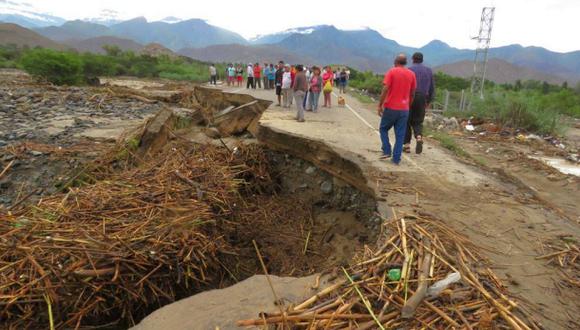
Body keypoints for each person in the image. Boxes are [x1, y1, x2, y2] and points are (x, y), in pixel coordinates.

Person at [377, 53, 417, 165]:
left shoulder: (392, 71)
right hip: (404, 109)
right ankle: (396, 159)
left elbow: (385, 89)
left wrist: (380, 105)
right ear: (405, 63)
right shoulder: (412, 74)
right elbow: (413, 93)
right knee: (400, 134)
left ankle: (386, 150)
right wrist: (408, 105)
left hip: (391, 107)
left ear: (395, 62)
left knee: (383, 129)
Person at [404, 52, 434, 154]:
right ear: (422, 59)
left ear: (413, 59)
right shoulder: (429, 71)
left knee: (406, 121)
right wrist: (428, 101)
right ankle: (419, 137)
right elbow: (431, 88)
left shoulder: (408, 70)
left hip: (410, 97)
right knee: (418, 121)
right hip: (422, 98)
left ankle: (407, 145)